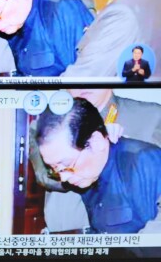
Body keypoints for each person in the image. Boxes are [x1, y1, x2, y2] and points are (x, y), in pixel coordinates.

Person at [38, 87, 161, 233]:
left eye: (92, 72)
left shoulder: (152, 117)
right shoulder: (49, 121)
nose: (83, 84)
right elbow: (42, 173)